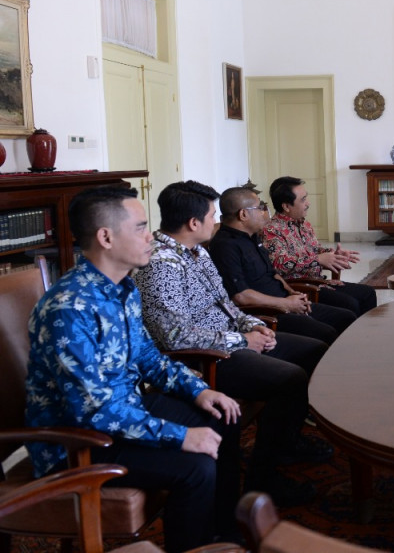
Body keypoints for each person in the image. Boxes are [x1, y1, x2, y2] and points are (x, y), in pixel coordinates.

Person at [24, 187, 242, 553]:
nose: (150, 236)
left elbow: (148, 358)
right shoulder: (69, 309)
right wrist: (179, 436)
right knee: (195, 467)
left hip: (124, 411)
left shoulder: (122, 288)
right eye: (141, 227)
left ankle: (222, 534)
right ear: (106, 237)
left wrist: (198, 389)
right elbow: (93, 412)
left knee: (222, 415)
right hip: (77, 442)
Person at [133, 181, 333, 506]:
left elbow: (226, 303)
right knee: (289, 380)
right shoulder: (160, 264)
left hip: (232, 338)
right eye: (213, 216)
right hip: (203, 358)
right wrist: (243, 339)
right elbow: (174, 337)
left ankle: (284, 443)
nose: (217, 222)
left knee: (314, 350)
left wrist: (254, 325)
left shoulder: (197, 250)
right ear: (193, 223)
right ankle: (263, 481)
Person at [209, 186, 356, 343]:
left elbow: (274, 273)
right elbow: (241, 296)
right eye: (260, 208)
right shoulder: (225, 246)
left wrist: (293, 294)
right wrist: (286, 303)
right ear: (243, 214)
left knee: (346, 317)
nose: (264, 212)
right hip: (268, 311)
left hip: (285, 300)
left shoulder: (252, 237)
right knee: (326, 333)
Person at [262, 175, 377, 316]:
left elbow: (315, 250)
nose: (308, 203)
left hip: (318, 283)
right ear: (286, 206)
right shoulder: (271, 230)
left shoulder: (303, 224)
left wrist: (333, 254)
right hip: (300, 288)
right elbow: (279, 264)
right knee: (350, 304)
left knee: (368, 293)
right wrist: (317, 259)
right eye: (303, 200)